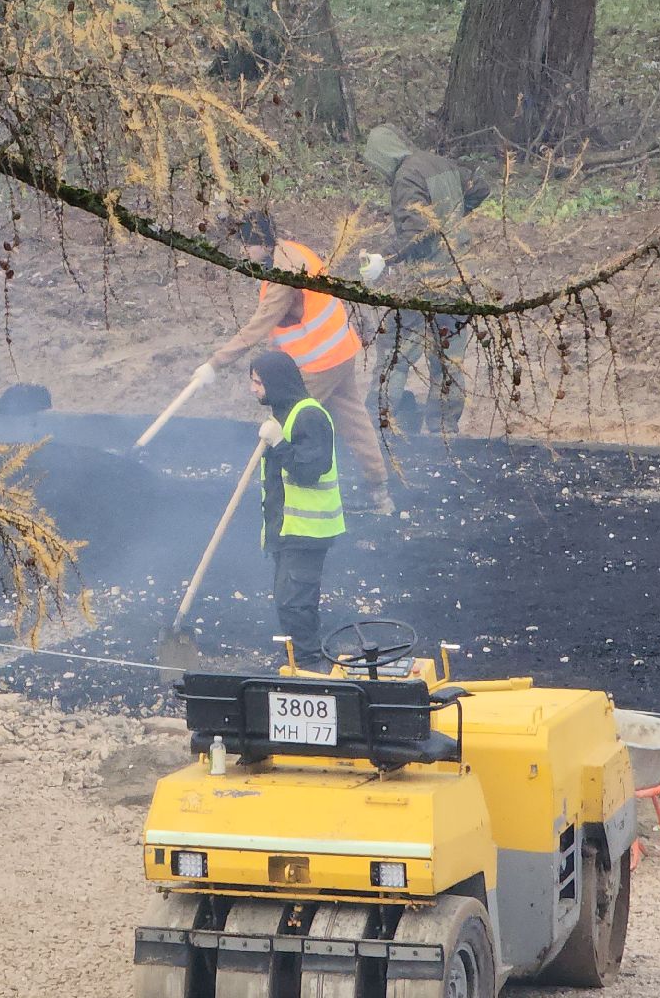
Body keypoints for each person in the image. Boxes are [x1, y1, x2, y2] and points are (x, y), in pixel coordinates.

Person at [199, 210, 393, 515]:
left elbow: (260, 325)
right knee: (354, 419)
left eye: (247, 245)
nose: (244, 252)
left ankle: (274, 494)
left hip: (319, 362)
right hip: (341, 349)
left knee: (283, 426)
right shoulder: (294, 251)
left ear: (261, 243)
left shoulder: (282, 276)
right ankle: (379, 494)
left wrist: (215, 363)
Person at [360, 124, 492, 435]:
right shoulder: (437, 162)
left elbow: (416, 232)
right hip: (459, 276)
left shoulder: (406, 176)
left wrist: (385, 259)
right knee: (449, 358)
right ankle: (443, 431)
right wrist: (452, 218)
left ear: (382, 157)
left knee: (395, 350)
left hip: (426, 281)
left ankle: (378, 424)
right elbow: (480, 188)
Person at [251, 349, 347, 672]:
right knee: (288, 603)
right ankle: (302, 663)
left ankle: (310, 667)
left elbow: (312, 468)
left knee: (297, 603)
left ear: (275, 382)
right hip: (288, 531)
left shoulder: (309, 415)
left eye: (257, 382)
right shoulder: (283, 415)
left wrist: (279, 444)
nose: (254, 390)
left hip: (308, 532)